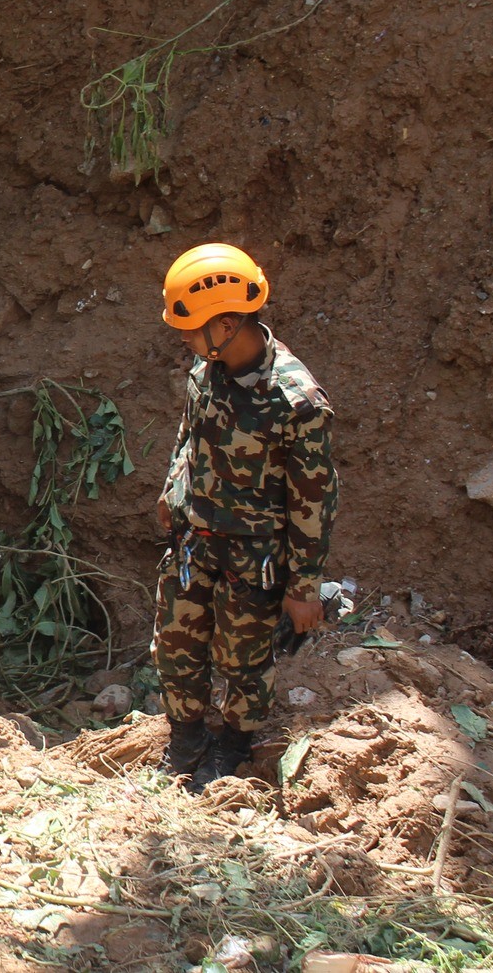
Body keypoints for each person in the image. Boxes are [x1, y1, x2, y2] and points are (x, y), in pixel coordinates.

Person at [152, 243, 336, 790]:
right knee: (176, 643)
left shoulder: (297, 402)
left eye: (192, 329)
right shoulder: (206, 368)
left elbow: (315, 500)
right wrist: (172, 487)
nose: (185, 339)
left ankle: (231, 747)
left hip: (253, 556)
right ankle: (186, 738)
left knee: (243, 659)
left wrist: (303, 587)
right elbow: (189, 435)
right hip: (195, 538)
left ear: (228, 323)